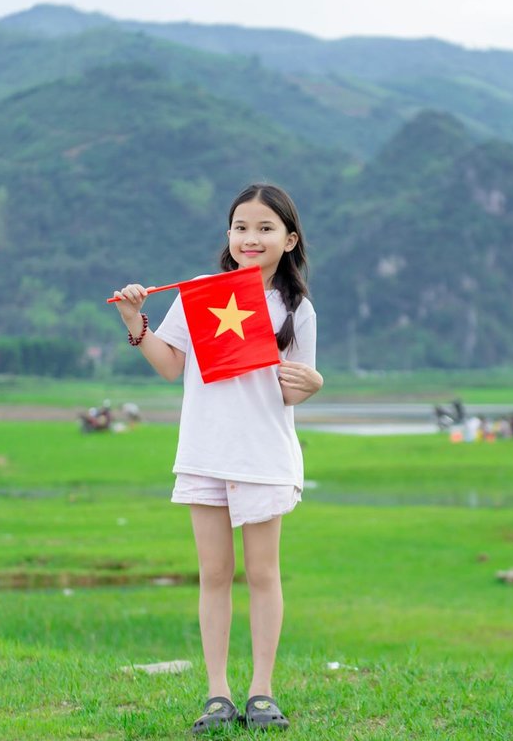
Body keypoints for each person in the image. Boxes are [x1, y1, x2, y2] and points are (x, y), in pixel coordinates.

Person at [112, 183, 323, 733]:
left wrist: (314, 382)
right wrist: (136, 320)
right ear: (227, 236)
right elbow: (168, 365)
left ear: (289, 239)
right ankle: (217, 694)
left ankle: (261, 692)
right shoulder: (201, 294)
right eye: (240, 227)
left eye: (264, 228)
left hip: (262, 455)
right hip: (206, 452)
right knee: (213, 574)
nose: (250, 238)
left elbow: (290, 390)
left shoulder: (297, 309)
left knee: (261, 573)